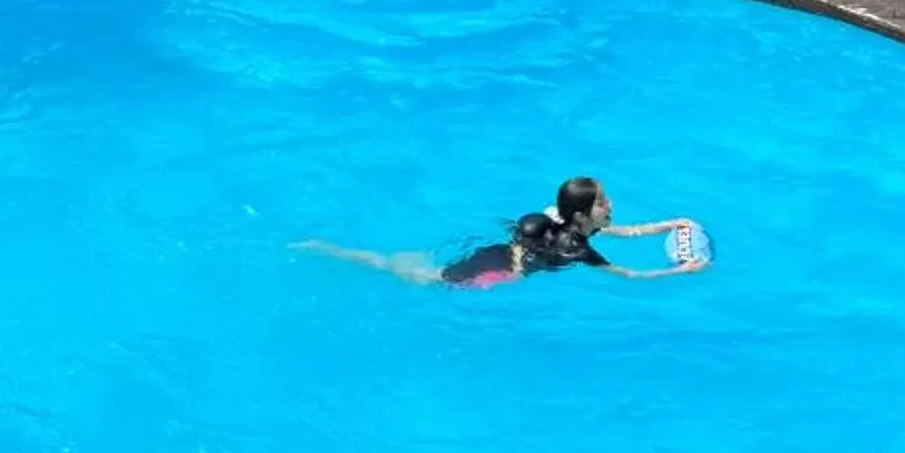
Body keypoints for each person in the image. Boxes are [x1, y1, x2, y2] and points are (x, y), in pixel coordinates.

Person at [298, 177, 704, 288]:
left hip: (499, 250)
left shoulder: (557, 217)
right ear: (583, 216)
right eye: (603, 202)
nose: (610, 205)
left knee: (416, 269)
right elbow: (629, 275)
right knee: (424, 279)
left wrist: (672, 224)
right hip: (501, 272)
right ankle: (334, 253)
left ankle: (339, 251)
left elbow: (627, 232)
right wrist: (681, 271)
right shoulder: (575, 248)